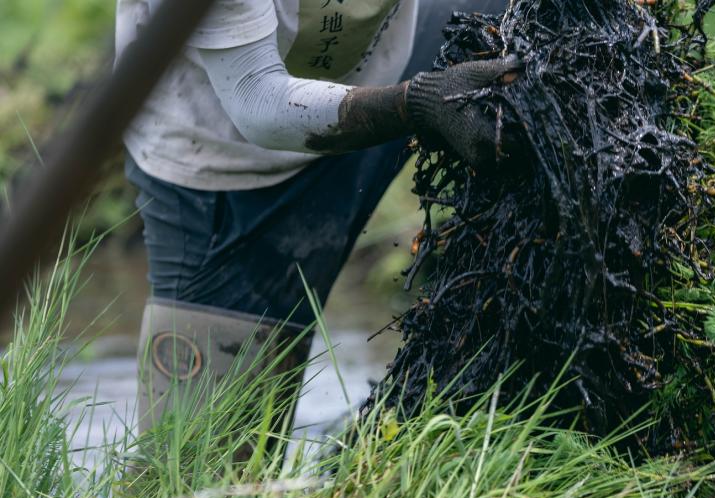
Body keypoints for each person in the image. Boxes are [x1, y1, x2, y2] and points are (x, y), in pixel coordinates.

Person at [114, 0, 516, 432]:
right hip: (224, 169)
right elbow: (256, 98)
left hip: (395, 68)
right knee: (203, 479)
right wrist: (416, 104)